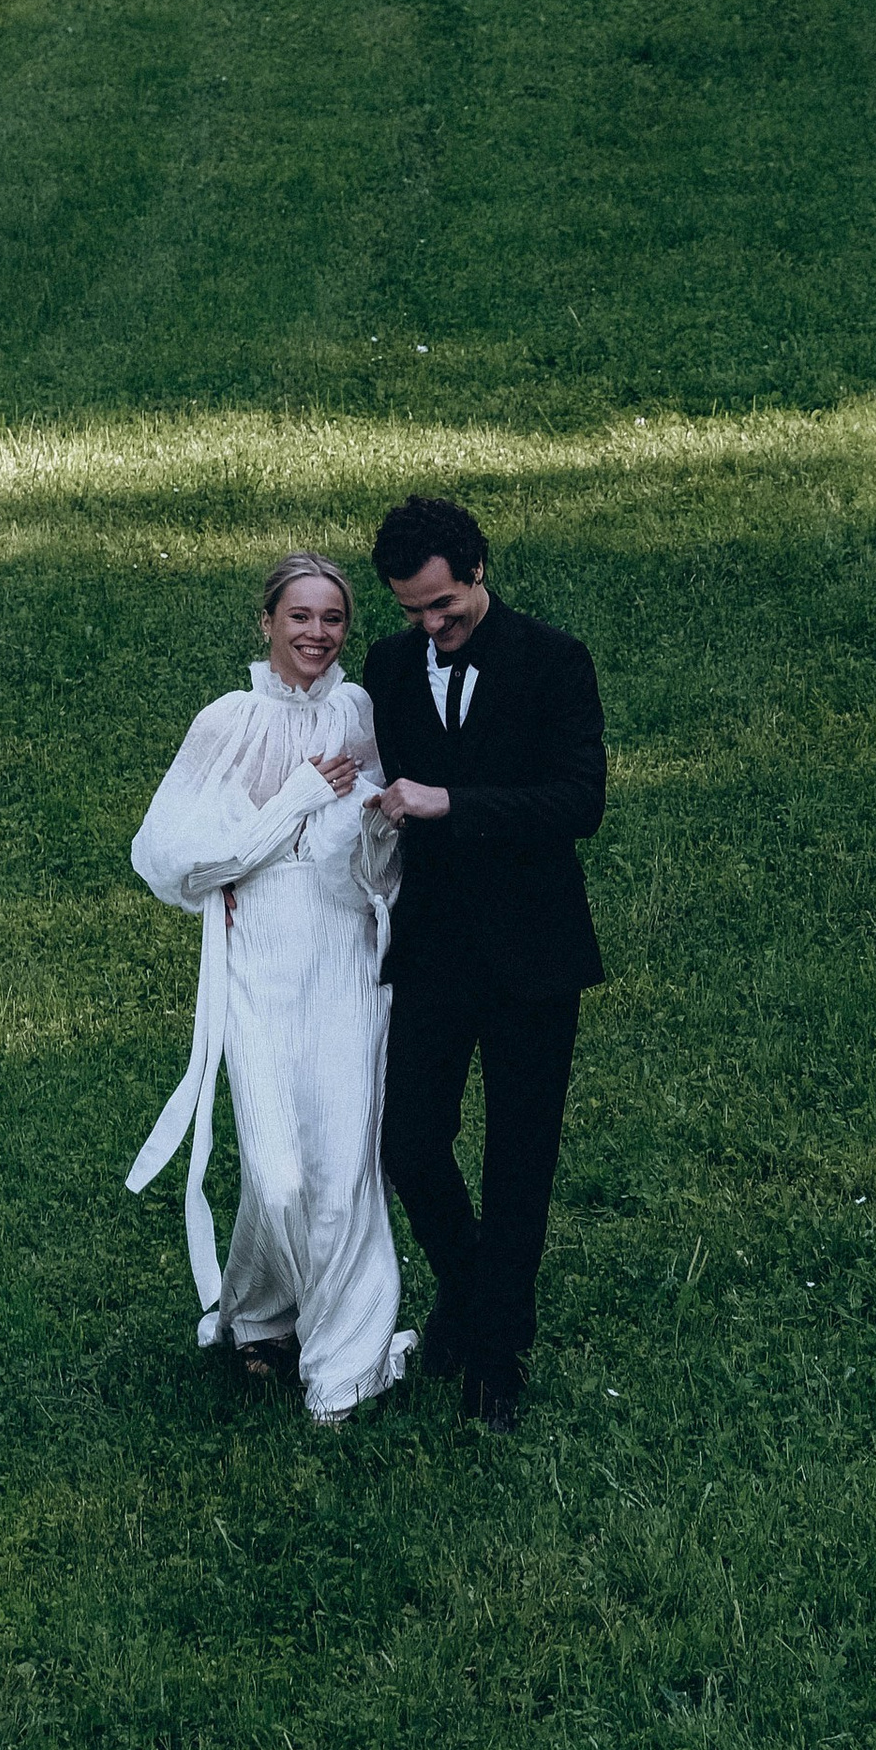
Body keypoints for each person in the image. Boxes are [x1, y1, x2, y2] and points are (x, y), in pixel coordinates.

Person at [126, 554, 414, 1424]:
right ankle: (258, 1310)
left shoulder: (361, 710)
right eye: (300, 617)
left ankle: (340, 1360)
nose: (317, 635)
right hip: (259, 965)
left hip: (347, 958)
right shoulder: (227, 722)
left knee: (341, 1169)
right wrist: (291, 799)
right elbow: (176, 863)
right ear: (266, 622)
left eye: (333, 619)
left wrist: (375, 828)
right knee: (279, 1174)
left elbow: (381, 865)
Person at [364, 494, 605, 1432]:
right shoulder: (388, 667)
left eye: (443, 606)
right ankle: (470, 1291)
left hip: (533, 954)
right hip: (430, 949)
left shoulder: (553, 659)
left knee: (519, 1157)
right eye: (412, 611)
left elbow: (578, 802)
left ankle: (496, 1355)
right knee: (410, 1142)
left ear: (476, 571)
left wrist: (451, 804)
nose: (430, 626)